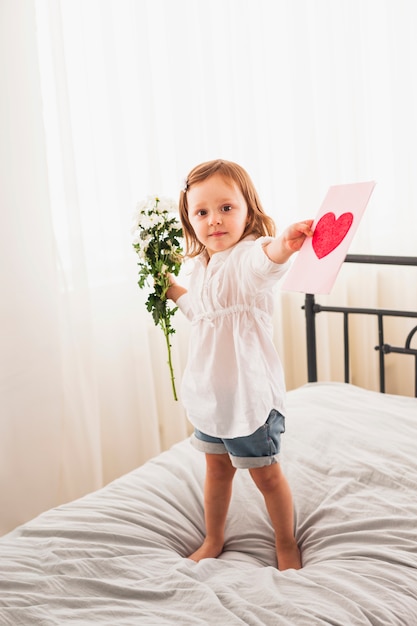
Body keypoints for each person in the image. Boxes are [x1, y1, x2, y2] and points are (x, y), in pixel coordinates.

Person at [167, 159, 313, 570]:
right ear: (190, 220)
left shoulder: (248, 257)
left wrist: (284, 242)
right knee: (216, 471)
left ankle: (286, 543)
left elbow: (267, 262)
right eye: (202, 212)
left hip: (249, 398)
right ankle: (214, 537)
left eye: (226, 208)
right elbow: (199, 311)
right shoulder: (203, 266)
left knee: (266, 475)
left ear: (248, 210)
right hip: (211, 396)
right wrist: (174, 289)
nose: (214, 220)